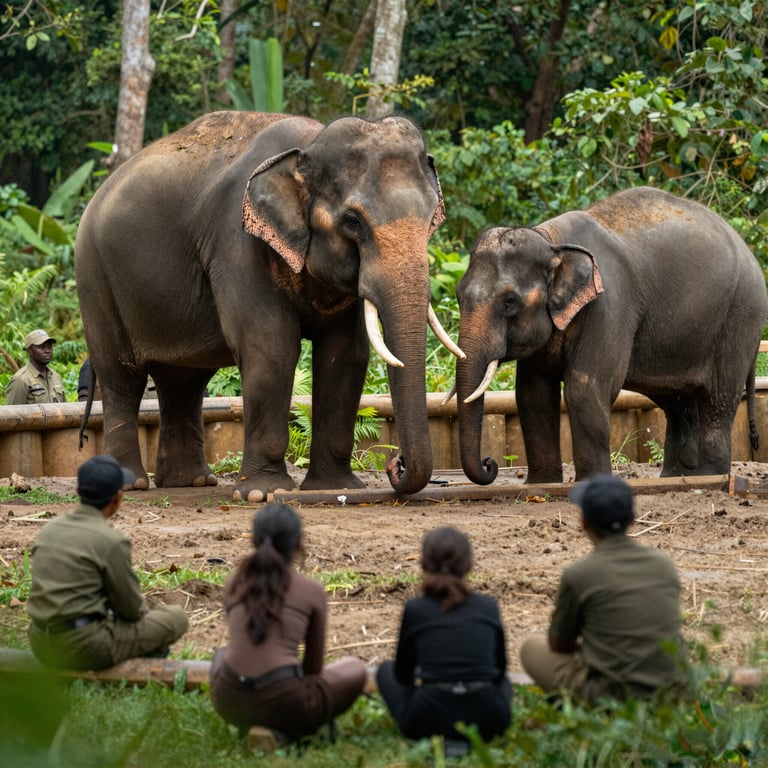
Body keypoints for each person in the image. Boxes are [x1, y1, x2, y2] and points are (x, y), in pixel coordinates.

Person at [520, 473, 689, 705]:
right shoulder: (664, 565)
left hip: (612, 696)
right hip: (672, 691)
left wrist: (590, 647)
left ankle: (573, 710)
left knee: (530, 647)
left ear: (583, 523)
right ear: (633, 519)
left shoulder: (579, 574)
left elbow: (558, 643)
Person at [210, 502, 367, 750]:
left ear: (253, 542)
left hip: (231, 700)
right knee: (355, 668)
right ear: (298, 544)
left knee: (221, 654)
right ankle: (291, 730)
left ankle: (253, 727)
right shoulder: (311, 590)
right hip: (287, 701)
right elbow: (313, 669)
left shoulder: (234, 583)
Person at [26, 454, 188, 670]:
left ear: (78, 492)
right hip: (82, 646)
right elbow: (131, 611)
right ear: (117, 498)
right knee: (176, 618)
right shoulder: (111, 541)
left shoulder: (49, 529)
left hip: (40, 642)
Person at [376, 527, 512, 750]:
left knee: (385, 670)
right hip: (489, 719)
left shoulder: (415, 609)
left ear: (423, 565)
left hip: (428, 718)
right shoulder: (488, 606)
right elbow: (499, 671)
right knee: (503, 681)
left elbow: (402, 674)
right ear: (469, 565)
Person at [5, 329, 66, 405]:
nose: (47, 351)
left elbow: (65, 411)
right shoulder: (20, 380)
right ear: (29, 351)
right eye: (41, 347)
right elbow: (12, 414)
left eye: (49, 346)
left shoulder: (56, 377)